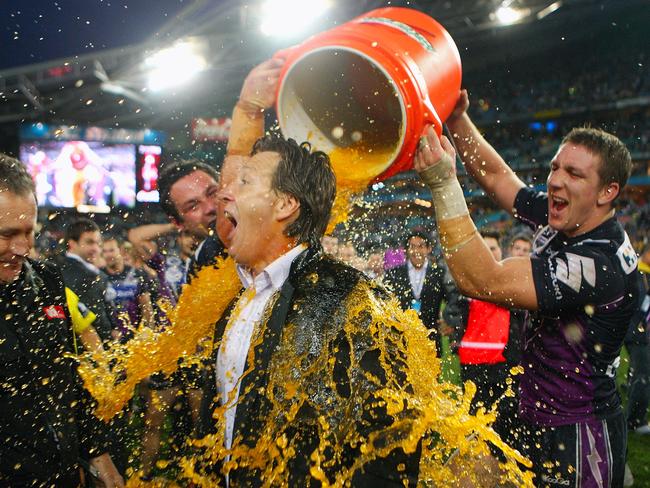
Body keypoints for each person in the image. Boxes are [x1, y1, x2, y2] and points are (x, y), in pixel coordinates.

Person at [414, 89, 639, 486]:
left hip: (576, 433)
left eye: (574, 174)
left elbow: (481, 279)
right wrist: (459, 121)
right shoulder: (568, 218)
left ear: (608, 193)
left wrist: (442, 182)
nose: (555, 181)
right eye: (556, 167)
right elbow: (501, 179)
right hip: (530, 413)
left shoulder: (598, 263)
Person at [198, 135, 420, 485]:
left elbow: (391, 445)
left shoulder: (353, 299)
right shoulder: (237, 303)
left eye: (245, 181)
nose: (225, 193)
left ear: (285, 204)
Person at [0, 153, 124, 487]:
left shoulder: (48, 280)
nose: (23, 247)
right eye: (7, 234)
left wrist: (97, 452)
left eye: (29, 231)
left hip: (63, 472)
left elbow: (68, 374)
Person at [384, 230, 451, 355]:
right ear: (406, 250)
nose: (416, 251)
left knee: (431, 374)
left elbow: (451, 299)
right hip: (401, 338)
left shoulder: (439, 273)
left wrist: (447, 318)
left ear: (429, 249)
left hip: (430, 338)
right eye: (412, 247)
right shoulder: (394, 273)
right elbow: (385, 301)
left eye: (421, 246)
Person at [52, 217, 116, 345]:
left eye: (98, 243)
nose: (96, 249)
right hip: (90, 349)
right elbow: (95, 320)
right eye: (89, 242)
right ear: (72, 244)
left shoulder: (58, 266)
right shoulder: (80, 274)